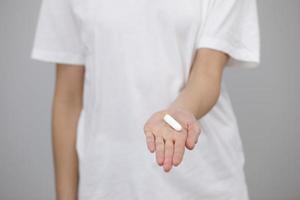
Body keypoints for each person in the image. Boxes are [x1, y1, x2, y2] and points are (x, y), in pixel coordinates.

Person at [31, 0, 260, 199]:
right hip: (107, 183)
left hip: (202, 180)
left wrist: (177, 114)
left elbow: (208, 73)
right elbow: (68, 99)